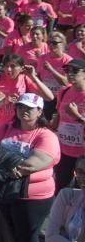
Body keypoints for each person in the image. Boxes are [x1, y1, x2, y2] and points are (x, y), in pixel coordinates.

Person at [0, 92, 61, 242]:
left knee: (26, 238)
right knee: (5, 235)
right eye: (20, 107)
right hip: (2, 192)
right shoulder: (4, 128)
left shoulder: (46, 135)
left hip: (32, 197)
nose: (23, 111)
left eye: (29, 108)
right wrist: (11, 166)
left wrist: (3, 165)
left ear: (39, 110)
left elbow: (34, 163)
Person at [53, 58, 85, 190]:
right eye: (67, 71)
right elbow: (59, 115)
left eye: (75, 71)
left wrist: (77, 116)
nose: (70, 74)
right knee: (61, 189)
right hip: (64, 150)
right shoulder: (64, 91)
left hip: (82, 154)